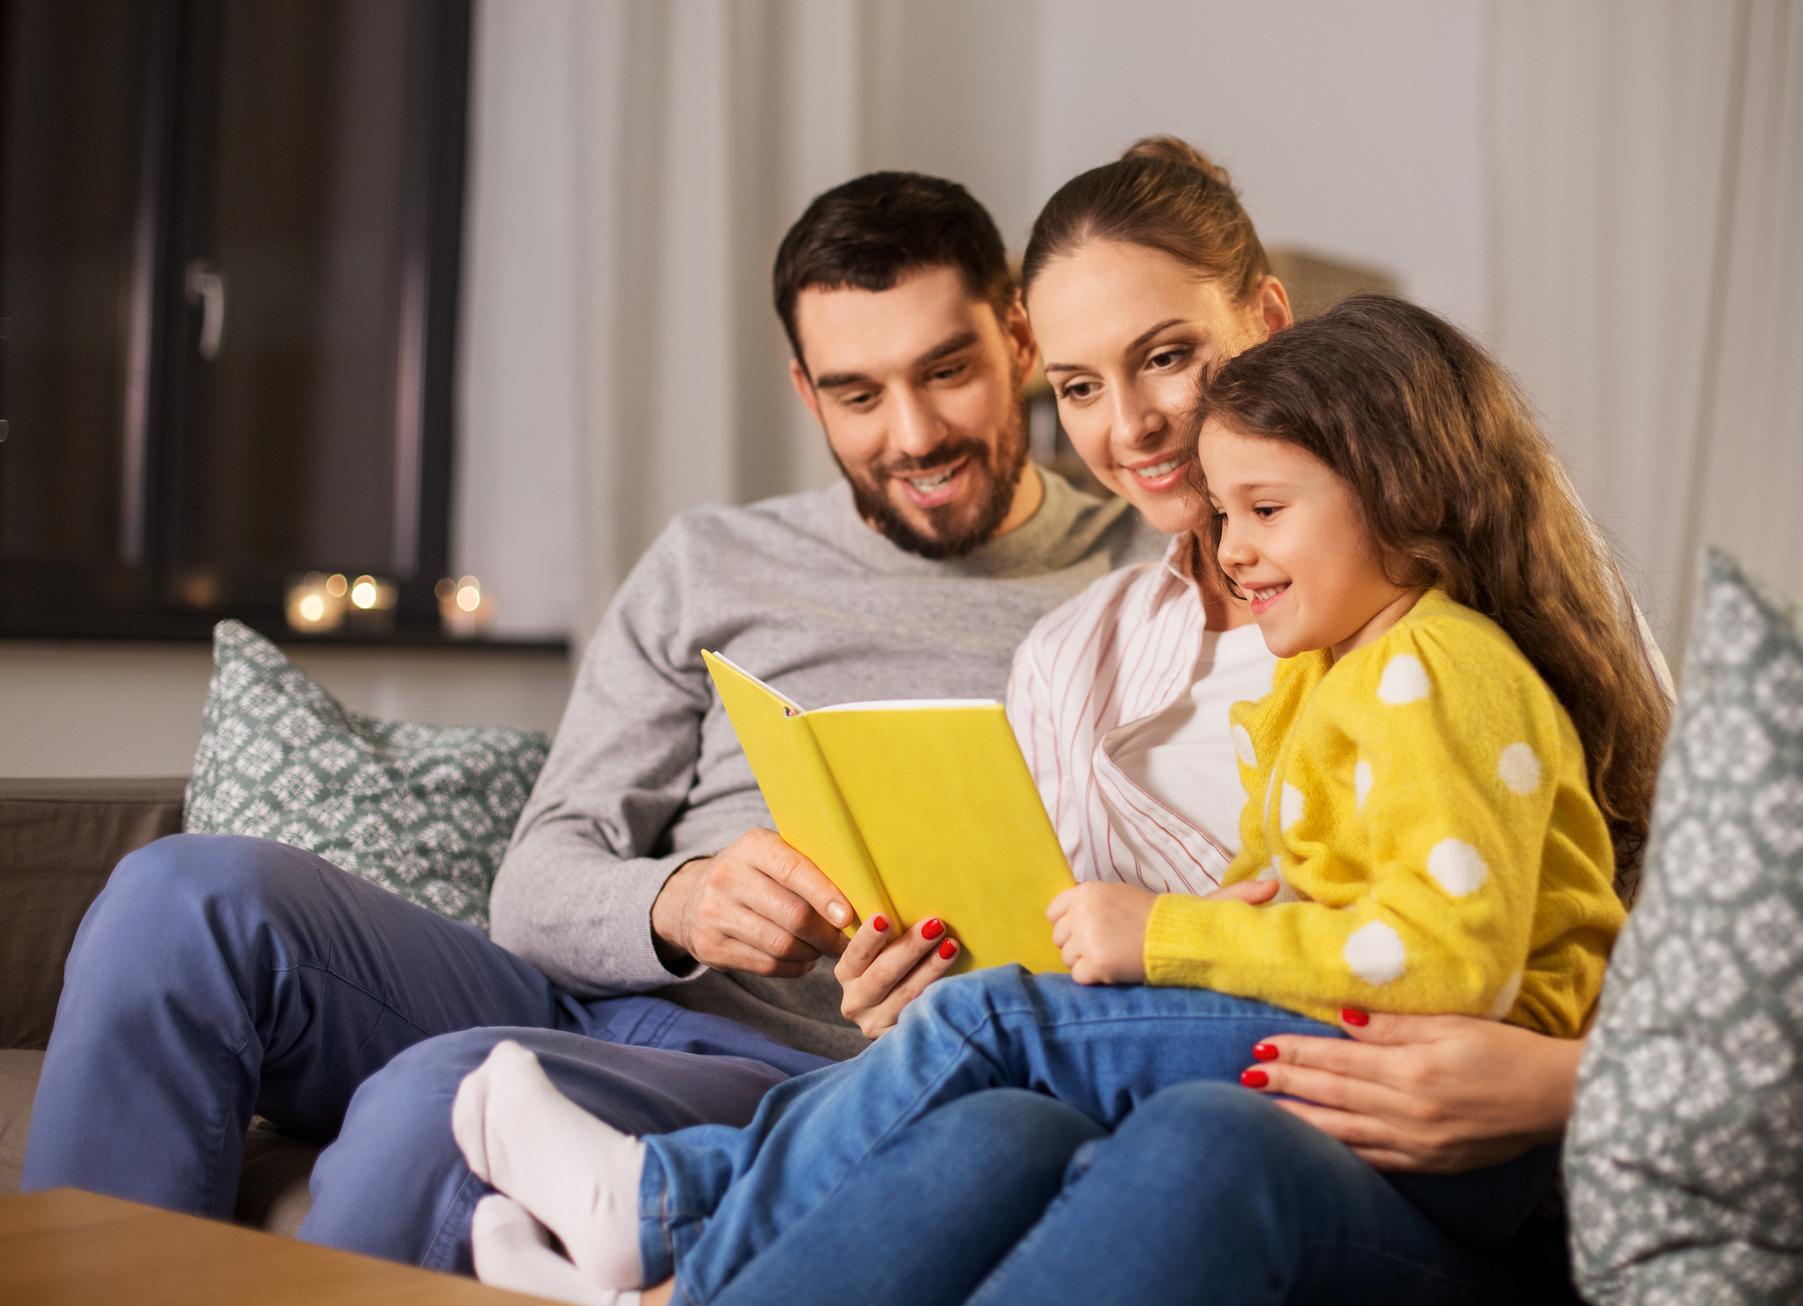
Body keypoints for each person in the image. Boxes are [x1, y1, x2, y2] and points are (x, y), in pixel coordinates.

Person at [20, 171, 1164, 1271]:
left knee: (446, 1105)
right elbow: (537, 879)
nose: (910, 435)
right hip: (604, 993)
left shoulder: (1145, 576)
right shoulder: (709, 561)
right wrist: (677, 902)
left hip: (808, 1069)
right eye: (857, 395)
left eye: (946, 371)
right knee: (182, 898)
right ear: (804, 391)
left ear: (1018, 339)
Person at [449, 290, 1650, 1306]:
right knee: (994, 1109)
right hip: (1345, 1056)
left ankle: (668, 1199)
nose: (1227, 548)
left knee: (998, 1025)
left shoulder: (1437, 668)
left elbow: (1446, 963)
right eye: (1076, 385)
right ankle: (681, 1256)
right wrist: (1251, 903)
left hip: (1445, 1110)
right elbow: (1349, 891)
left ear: (1405, 496)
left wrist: (1165, 932)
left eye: (1262, 510)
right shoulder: (1322, 674)